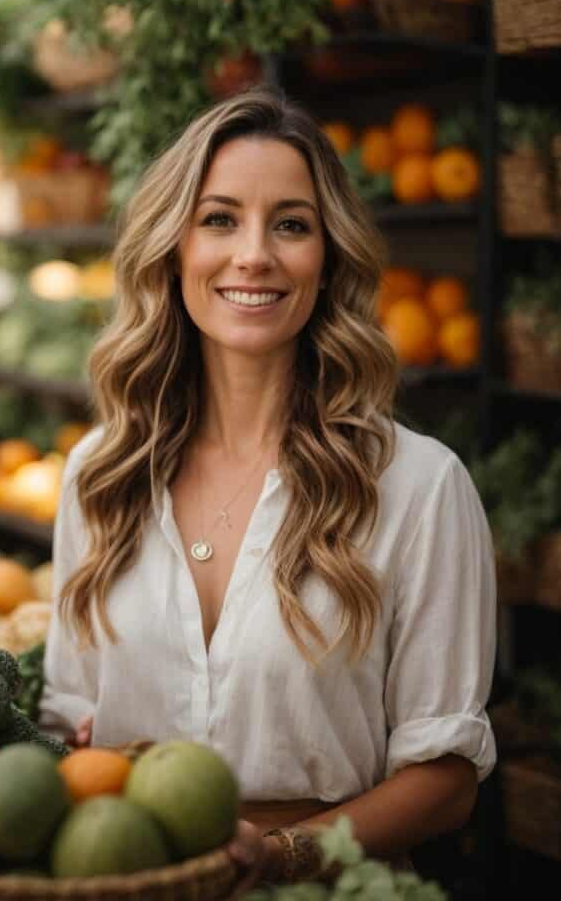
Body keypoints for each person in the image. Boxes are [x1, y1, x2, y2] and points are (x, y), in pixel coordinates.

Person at [40, 86, 497, 889]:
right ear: (173, 248)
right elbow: (65, 719)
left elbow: (447, 775)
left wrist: (284, 856)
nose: (254, 254)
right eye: (219, 219)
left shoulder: (418, 487)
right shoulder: (100, 475)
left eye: (290, 224)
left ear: (327, 260)